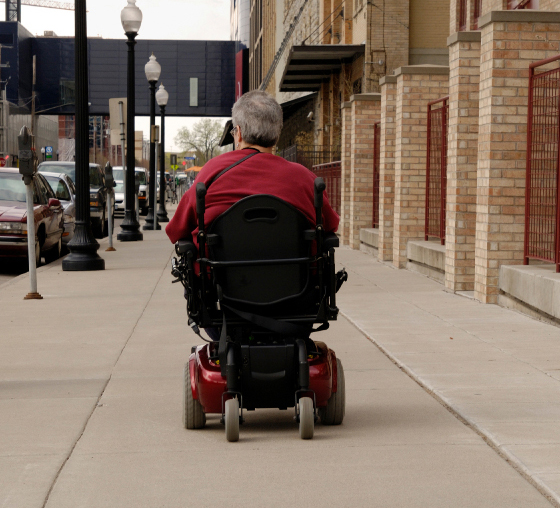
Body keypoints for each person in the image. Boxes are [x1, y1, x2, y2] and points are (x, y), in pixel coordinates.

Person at [165, 90, 339, 245]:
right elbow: (330, 225)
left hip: (220, 278)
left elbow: (176, 230)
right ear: (277, 135)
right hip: (298, 279)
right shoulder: (305, 178)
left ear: (238, 133)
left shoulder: (211, 171)